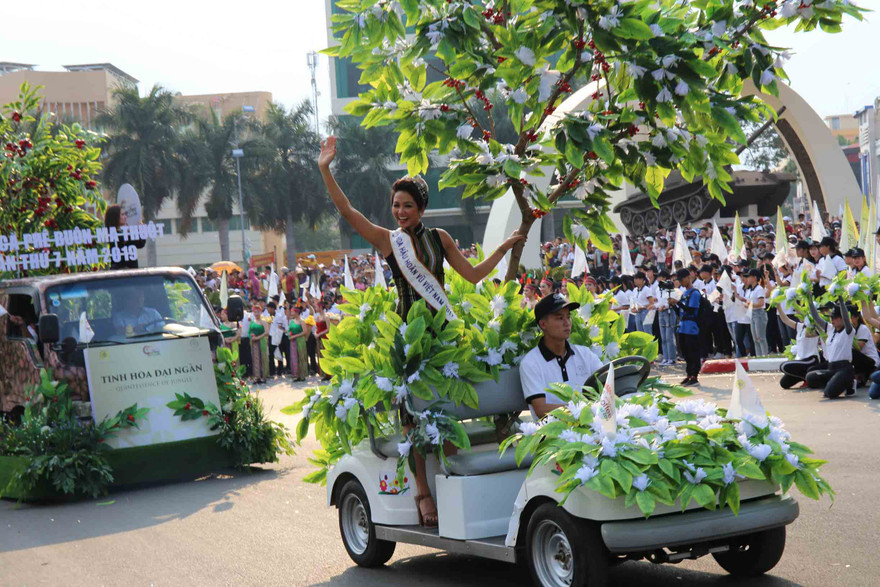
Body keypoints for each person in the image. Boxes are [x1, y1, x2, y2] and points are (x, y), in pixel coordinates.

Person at [319, 135, 525, 528]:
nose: (400, 212)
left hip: (445, 332)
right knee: (412, 416)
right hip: (409, 337)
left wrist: (504, 249)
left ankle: (456, 474)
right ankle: (422, 491)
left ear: (422, 208)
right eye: (396, 206)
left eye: (407, 206)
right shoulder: (387, 240)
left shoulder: (439, 239)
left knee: (455, 401)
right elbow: (347, 211)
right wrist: (325, 169)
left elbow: (473, 274)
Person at [519, 294, 604, 419]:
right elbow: (541, 410)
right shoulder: (531, 363)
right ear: (543, 325)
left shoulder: (585, 354)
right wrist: (583, 410)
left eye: (568, 317)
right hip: (554, 432)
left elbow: (608, 386)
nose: (567, 323)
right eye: (560, 318)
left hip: (591, 424)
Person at [805, 298, 855, 399]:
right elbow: (816, 317)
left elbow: (846, 318)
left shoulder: (848, 331)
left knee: (829, 393)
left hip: (844, 368)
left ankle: (849, 383)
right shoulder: (830, 329)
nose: (832, 320)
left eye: (835, 318)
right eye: (832, 318)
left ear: (841, 318)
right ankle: (835, 382)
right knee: (810, 377)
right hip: (831, 368)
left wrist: (841, 302)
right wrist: (809, 299)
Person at [671, 268, 701, 386]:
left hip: (691, 327)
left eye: (682, 279)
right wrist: (674, 305)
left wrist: (678, 303)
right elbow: (681, 313)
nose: (681, 282)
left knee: (693, 352)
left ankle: (694, 376)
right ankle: (689, 374)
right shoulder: (684, 293)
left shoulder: (694, 293)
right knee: (685, 353)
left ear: (688, 277)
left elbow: (692, 310)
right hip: (682, 326)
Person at [777, 312, 821, 389]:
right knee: (784, 383)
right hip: (801, 360)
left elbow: (808, 334)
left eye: (801, 314)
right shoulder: (799, 326)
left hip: (811, 359)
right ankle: (803, 377)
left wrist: (808, 320)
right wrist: (778, 305)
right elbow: (785, 320)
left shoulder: (815, 328)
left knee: (783, 366)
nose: (798, 316)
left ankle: (807, 378)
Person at [104, 204, 146, 270]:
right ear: (115, 217)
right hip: (118, 274)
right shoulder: (109, 235)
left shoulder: (128, 231)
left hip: (132, 272)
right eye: (123, 215)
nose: (125, 217)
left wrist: (141, 229)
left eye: (125, 214)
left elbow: (141, 243)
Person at [288, 304, 309, 381]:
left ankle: (302, 375)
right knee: (294, 357)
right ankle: (296, 374)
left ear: (297, 312)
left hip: (300, 340)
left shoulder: (302, 321)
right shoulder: (292, 321)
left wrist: (295, 336)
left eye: (292, 312)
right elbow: (289, 329)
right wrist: (290, 334)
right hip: (293, 341)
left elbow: (305, 332)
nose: (291, 313)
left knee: (301, 356)